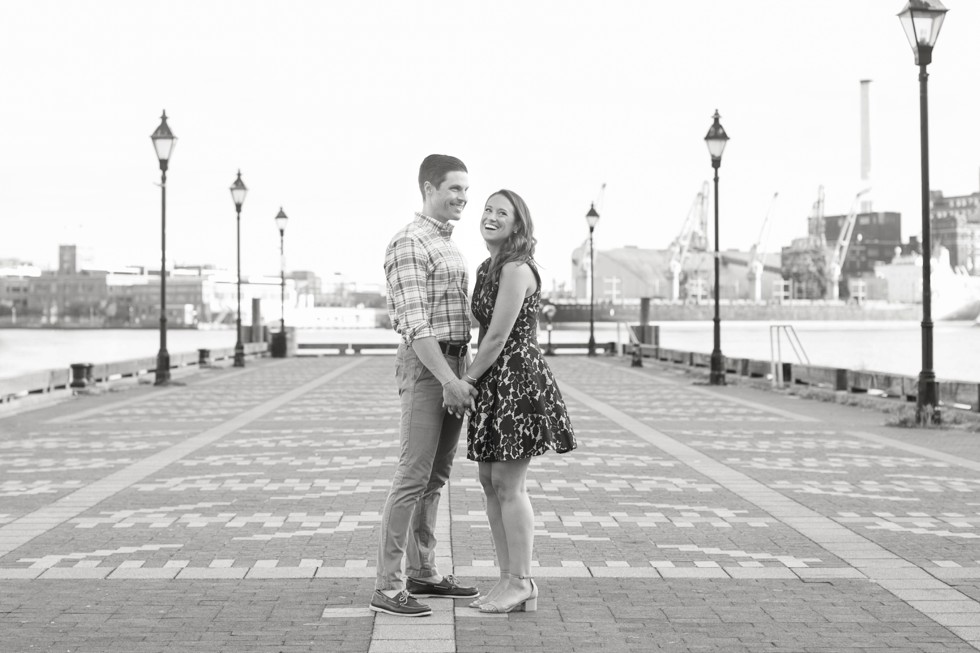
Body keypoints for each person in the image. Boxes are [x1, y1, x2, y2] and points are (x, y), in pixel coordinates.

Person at [370, 154, 481, 617]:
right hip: (428, 368)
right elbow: (416, 326)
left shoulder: (449, 245)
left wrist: (467, 368)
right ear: (429, 188)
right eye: (455, 189)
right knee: (412, 476)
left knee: (435, 477)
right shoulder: (410, 243)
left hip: (454, 364)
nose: (463, 199)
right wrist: (450, 381)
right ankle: (388, 585)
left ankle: (423, 571)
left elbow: (458, 319)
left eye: (466, 191)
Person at [462, 189, 576, 614]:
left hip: (515, 381)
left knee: (509, 485)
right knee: (489, 483)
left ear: (517, 224)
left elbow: (497, 336)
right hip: (495, 381)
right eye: (487, 209)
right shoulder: (486, 267)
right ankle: (507, 578)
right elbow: (481, 330)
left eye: (501, 213)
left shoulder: (515, 268)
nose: (491, 216)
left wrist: (465, 381)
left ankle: (522, 580)